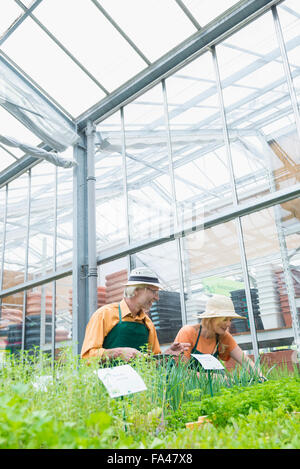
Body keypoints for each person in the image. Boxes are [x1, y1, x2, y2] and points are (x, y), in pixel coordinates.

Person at [81, 267, 190, 363]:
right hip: (107, 384)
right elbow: (87, 357)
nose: (157, 298)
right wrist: (118, 353)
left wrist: (167, 354)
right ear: (137, 289)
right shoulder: (104, 314)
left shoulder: (147, 323)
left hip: (139, 385)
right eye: (154, 292)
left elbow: (152, 363)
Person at [174, 294, 265, 377]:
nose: (229, 324)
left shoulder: (224, 336)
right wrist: (215, 378)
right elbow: (182, 372)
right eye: (225, 319)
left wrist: (261, 378)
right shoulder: (188, 332)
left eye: (231, 320)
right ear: (211, 318)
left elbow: (246, 362)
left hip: (214, 388)